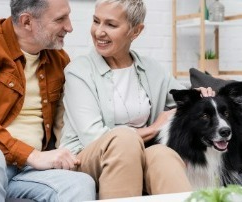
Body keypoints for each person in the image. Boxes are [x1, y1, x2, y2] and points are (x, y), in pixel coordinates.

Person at [60, 0, 215, 199]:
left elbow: (183, 102)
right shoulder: (79, 71)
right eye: (96, 21)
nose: (99, 32)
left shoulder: (151, 69)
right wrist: (153, 128)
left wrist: (200, 96)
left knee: (163, 155)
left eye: (111, 24)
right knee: (124, 139)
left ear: (136, 31)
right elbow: (93, 137)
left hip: (138, 153)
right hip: (85, 157)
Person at [0, 0, 96, 201]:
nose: (69, 27)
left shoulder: (58, 60)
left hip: (26, 170)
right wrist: (33, 155)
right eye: (60, 19)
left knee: (80, 184)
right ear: (27, 22)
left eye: (68, 16)